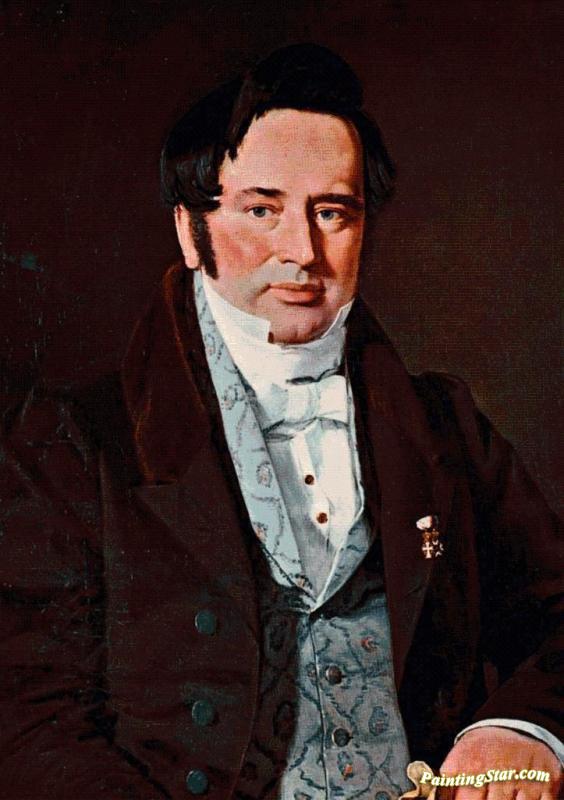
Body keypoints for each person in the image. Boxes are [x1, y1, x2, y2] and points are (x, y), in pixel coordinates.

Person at [0, 44, 561, 800]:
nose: (303, 252)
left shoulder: (445, 426)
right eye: (262, 210)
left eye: (332, 213)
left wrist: (521, 728)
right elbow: (27, 721)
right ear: (189, 230)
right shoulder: (71, 444)